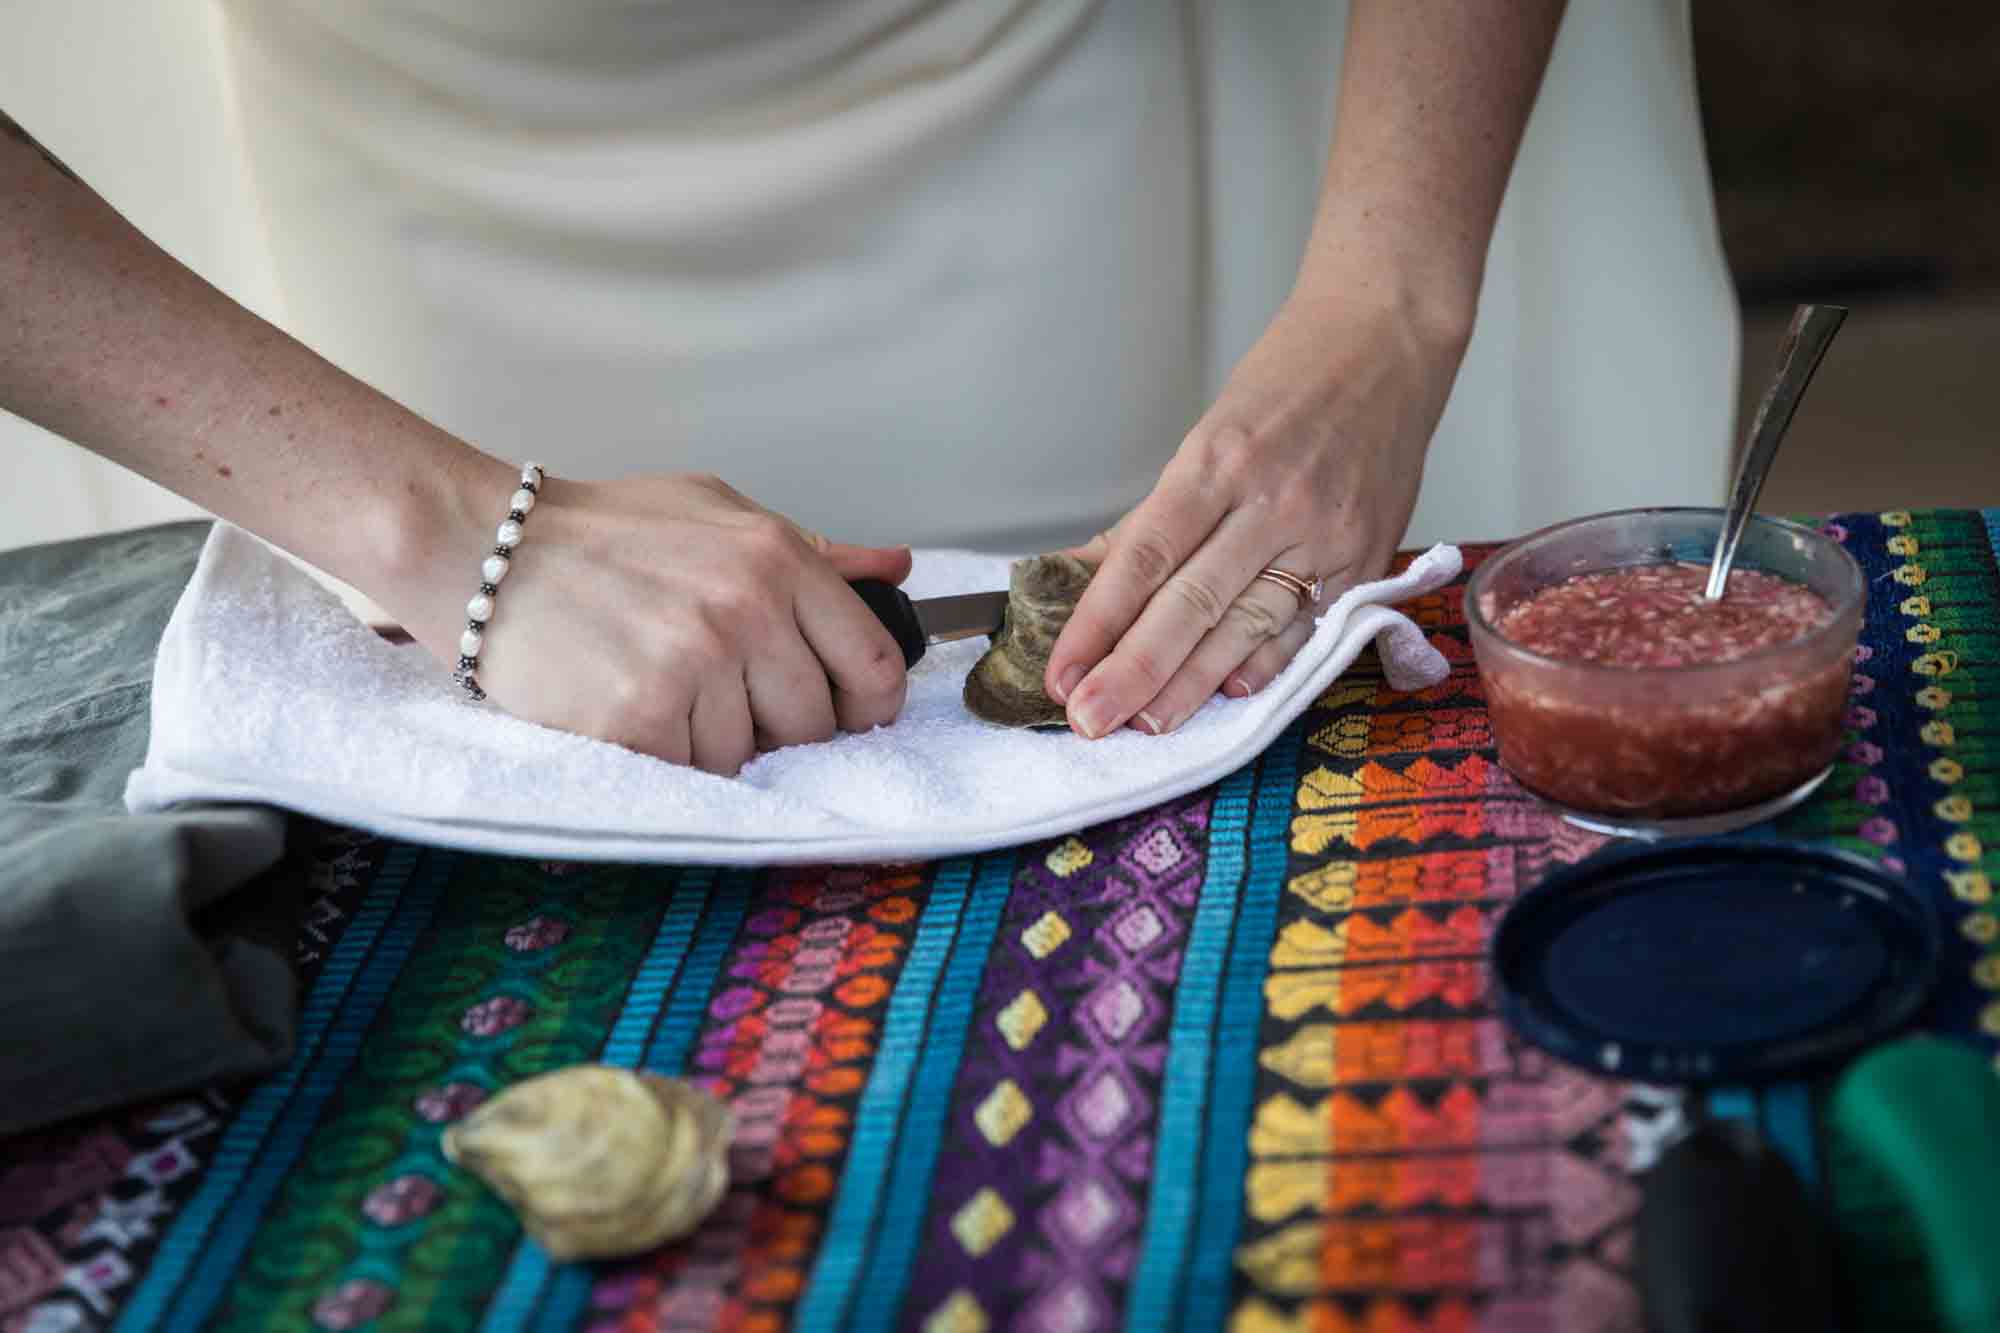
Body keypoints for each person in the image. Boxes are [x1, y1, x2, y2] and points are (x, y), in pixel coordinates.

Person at [0, 1, 1737, 776]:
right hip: (434, 168)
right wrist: (442, 526)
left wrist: (1387, 303)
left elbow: (1385, 304)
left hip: (1098, 132)